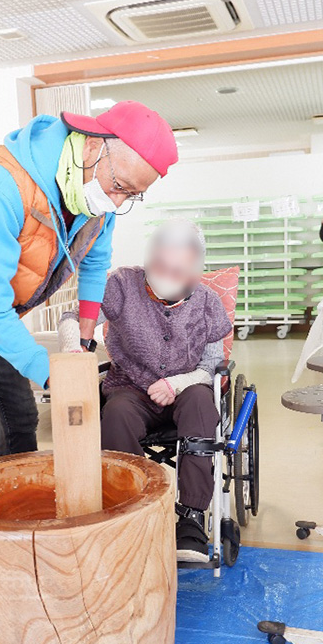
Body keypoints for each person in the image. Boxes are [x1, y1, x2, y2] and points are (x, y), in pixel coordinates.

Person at [0, 101, 177, 467]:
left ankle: (19, 510)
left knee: (22, 420)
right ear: (92, 145)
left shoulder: (97, 201)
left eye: (132, 195)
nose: (117, 201)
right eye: (119, 185)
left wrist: (83, 342)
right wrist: (49, 372)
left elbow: (94, 265)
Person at [98, 222, 232, 563]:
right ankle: (134, 512)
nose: (166, 274)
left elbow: (212, 366)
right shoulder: (122, 285)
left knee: (202, 403)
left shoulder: (207, 303)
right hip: (130, 387)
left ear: (194, 272)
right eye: (160, 266)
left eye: (177, 269)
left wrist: (177, 383)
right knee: (116, 413)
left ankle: (191, 518)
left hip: (187, 388)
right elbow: (84, 314)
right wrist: (75, 337)